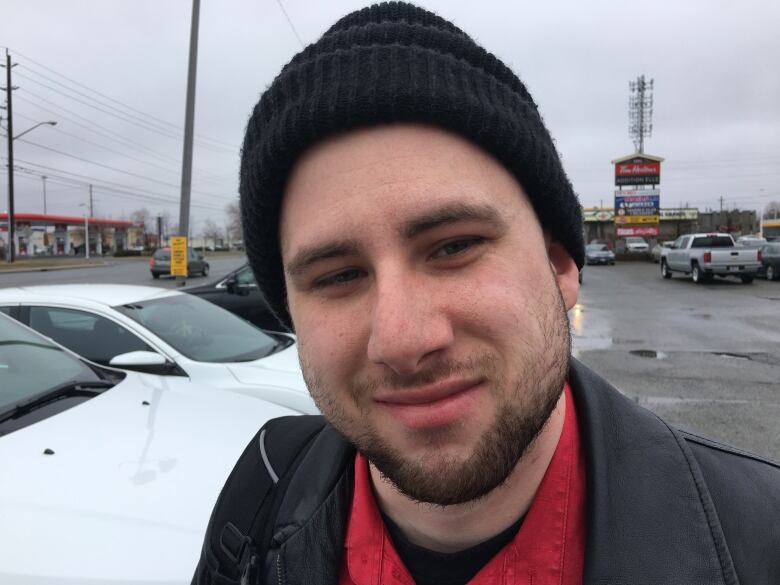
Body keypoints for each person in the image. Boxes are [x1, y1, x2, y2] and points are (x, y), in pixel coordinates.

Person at [193, 3, 780, 584]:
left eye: (453, 246)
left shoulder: (757, 534)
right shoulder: (259, 495)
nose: (401, 340)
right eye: (339, 276)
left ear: (558, 264)